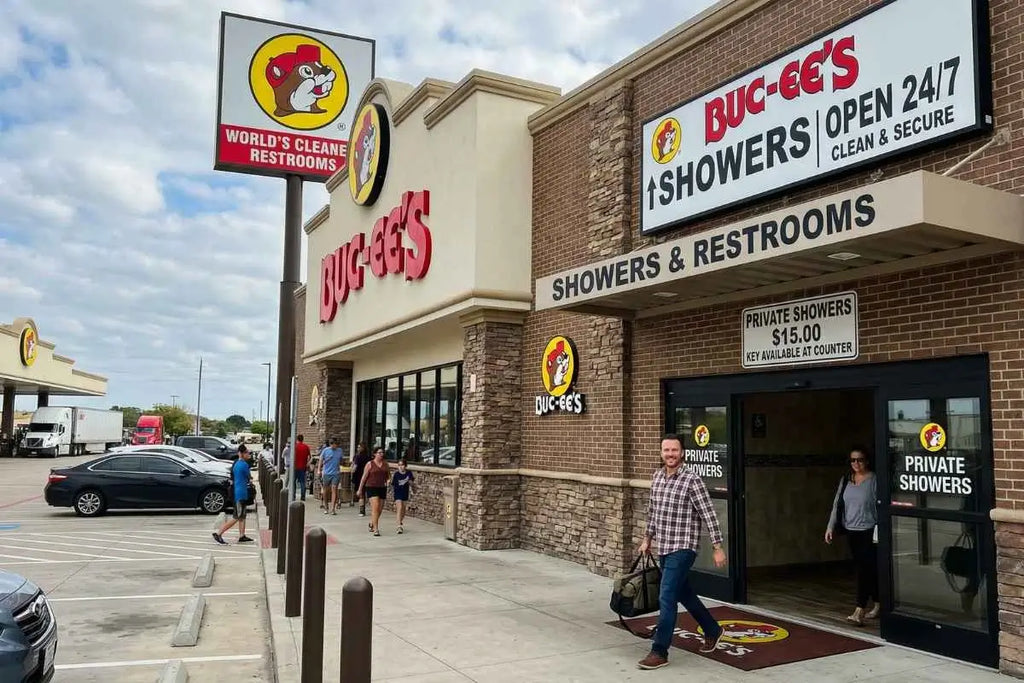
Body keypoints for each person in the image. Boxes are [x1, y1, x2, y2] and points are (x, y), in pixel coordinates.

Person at [636, 433, 727, 671]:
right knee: (683, 593)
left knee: (666, 597)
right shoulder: (657, 477)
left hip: (684, 547)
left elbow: (709, 514)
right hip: (664, 546)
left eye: (674, 450)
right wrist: (647, 538)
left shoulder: (692, 480)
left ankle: (659, 651)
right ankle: (713, 630)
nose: (670, 454)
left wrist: (718, 546)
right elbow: (653, 511)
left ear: (682, 453)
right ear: (661, 452)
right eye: (666, 450)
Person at [825, 446, 879, 626]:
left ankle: (859, 610)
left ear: (867, 460)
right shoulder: (846, 480)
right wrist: (830, 527)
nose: (856, 463)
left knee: (865, 570)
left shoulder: (874, 480)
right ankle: (879, 603)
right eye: (853, 460)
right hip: (851, 530)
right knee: (866, 570)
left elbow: (881, 506)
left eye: (860, 459)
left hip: (869, 531)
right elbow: (837, 504)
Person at [213, 445, 253, 545]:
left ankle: (242, 535)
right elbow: (249, 477)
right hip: (240, 493)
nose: (249, 454)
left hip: (238, 492)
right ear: (242, 454)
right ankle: (219, 533)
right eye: (247, 453)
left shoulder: (236, 463)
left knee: (242, 516)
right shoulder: (244, 465)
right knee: (237, 516)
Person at [357, 447, 390, 536]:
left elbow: (388, 476)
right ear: (375, 454)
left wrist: (388, 481)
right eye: (379, 453)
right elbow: (364, 477)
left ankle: (372, 523)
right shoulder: (370, 464)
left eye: (382, 452)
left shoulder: (385, 464)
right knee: (375, 507)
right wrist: (360, 489)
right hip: (371, 487)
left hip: (382, 487)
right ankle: (376, 529)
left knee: (380, 509)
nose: (381, 454)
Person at [318, 437, 344, 515]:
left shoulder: (340, 451)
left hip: (336, 473)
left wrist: (342, 463)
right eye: (333, 445)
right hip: (326, 473)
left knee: (334, 489)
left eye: (336, 445)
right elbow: (321, 460)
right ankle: (326, 506)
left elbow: (341, 460)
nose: (334, 446)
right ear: (330, 444)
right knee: (326, 490)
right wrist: (319, 470)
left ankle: (333, 508)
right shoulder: (325, 450)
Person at [391, 458, 414, 534]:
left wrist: (411, 484)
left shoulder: (409, 473)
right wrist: (391, 492)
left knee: (403, 510)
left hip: (405, 493)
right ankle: (399, 527)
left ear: (405, 466)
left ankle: (400, 521)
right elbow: (393, 485)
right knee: (399, 507)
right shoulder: (396, 474)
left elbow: (411, 482)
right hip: (398, 493)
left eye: (402, 465)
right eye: (399, 465)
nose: (401, 467)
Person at [350, 442, 370, 515]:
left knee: (360, 493)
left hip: (358, 476)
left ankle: (362, 509)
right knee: (363, 492)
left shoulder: (357, 457)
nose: (358, 449)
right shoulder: (368, 457)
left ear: (362, 448)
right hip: (366, 476)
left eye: (359, 447)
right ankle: (363, 506)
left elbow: (354, 467)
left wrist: (351, 470)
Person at [292, 434, 311, 501]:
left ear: (297, 439)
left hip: (295, 467)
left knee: (293, 482)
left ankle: (293, 496)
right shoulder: (306, 447)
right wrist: (307, 463)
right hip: (303, 467)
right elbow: (309, 457)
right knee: (302, 482)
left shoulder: (294, 447)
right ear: (303, 439)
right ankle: (303, 496)